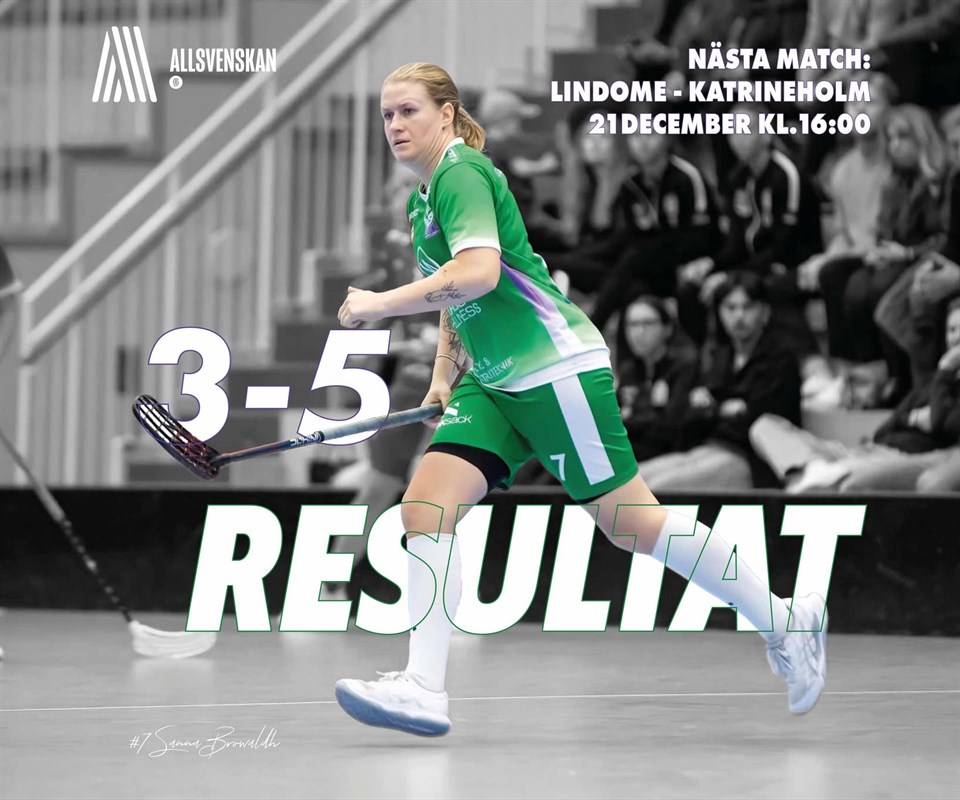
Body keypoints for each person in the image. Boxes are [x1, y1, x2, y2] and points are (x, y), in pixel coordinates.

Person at [334, 63, 828, 737]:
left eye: (408, 110)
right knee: (426, 507)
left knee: (632, 523)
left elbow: (476, 273)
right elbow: (456, 292)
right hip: (494, 380)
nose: (395, 124)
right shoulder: (424, 201)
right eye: (387, 114)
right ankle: (423, 688)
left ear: (446, 115)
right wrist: (445, 371)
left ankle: (784, 618)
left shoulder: (462, 173)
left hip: (552, 367)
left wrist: (381, 304)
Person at [637, 272, 801, 491]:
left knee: (654, 490)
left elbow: (759, 418)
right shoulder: (720, 357)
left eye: (748, 307)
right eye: (730, 308)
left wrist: (713, 408)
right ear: (720, 313)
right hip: (710, 446)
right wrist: (722, 409)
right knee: (628, 482)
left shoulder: (781, 358)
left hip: (752, 460)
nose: (739, 316)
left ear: (765, 312)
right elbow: (692, 415)